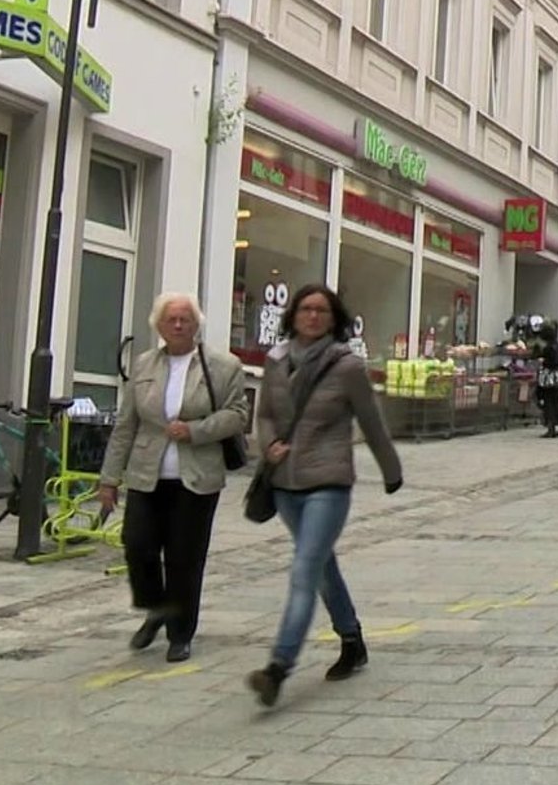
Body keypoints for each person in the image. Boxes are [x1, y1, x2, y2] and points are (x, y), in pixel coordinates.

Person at [246, 284, 404, 708]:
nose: (313, 317)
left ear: (334, 319)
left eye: (321, 310)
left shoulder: (347, 366)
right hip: (284, 484)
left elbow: (371, 422)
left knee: (304, 569)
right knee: (320, 565)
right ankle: (351, 639)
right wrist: (267, 446)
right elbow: (263, 415)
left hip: (328, 482)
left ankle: (278, 667)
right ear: (292, 315)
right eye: (305, 309)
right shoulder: (276, 361)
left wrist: (392, 471)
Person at [97, 292, 250, 663]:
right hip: (147, 474)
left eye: (185, 319)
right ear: (159, 325)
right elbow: (125, 425)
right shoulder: (145, 364)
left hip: (196, 477)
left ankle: (180, 633)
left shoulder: (223, 366)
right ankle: (157, 606)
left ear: (196, 324)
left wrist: (196, 430)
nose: (179, 325)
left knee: (184, 558)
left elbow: (238, 415)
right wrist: (109, 479)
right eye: (171, 320)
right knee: (137, 545)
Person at [532, 320, 558, 439]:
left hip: (549, 380)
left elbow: (550, 362)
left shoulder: (548, 348)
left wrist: (543, 361)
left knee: (549, 403)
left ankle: (551, 428)